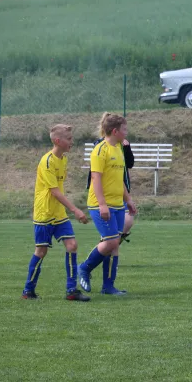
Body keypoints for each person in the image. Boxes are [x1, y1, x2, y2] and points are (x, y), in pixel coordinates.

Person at [21, 124, 90, 301]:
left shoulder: (63, 160)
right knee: (41, 251)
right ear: (58, 141)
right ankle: (28, 291)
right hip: (44, 213)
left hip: (58, 214)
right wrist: (75, 209)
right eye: (69, 139)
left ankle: (71, 291)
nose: (72, 142)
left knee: (72, 245)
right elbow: (54, 191)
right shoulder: (47, 161)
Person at [78, 112, 137, 296]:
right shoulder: (100, 150)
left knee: (115, 244)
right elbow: (96, 179)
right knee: (111, 241)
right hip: (100, 204)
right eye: (124, 130)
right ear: (114, 131)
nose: (126, 133)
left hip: (118, 204)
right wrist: (102, 205)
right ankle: (84, 268)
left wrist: (128, 200)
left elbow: (119, 179)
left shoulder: (118, 148)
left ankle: (108, 287)